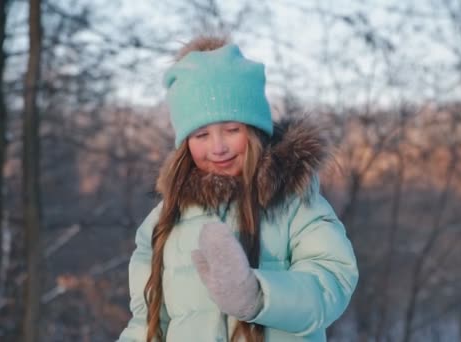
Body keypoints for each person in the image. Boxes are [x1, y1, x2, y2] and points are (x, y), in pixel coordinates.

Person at [117, 36, 358, 342]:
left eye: (232, 130)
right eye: (201, 134)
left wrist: (256, 295)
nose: (218, 148)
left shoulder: (293, 202)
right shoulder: (162, 223)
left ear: (254, 129)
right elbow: (146, 324)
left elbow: (333, 279)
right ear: (184, 144)